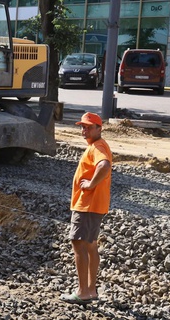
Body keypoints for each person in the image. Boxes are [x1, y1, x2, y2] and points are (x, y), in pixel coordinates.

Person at [61, 112, 112, 305]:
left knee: (79, 243)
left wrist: (90, 184)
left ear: (99, 128)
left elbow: (104, 165)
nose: (85, 130)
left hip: (87, 205)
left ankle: (83, 292)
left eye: (89, 127)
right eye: (83, 126)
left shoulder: (97, 147)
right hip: (92, 205)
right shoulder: (97, 145)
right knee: (90, 244)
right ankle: (90, 290)